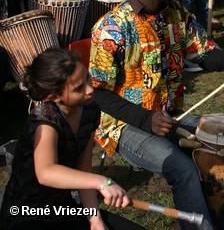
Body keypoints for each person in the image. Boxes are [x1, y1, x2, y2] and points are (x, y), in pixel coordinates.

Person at [89, 0, 224, 230]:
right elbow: (96, 94)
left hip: (170, 117)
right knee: (183, 170)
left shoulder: (178, 15)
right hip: (124, 125)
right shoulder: (111, 28)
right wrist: (146, 118)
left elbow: (204, 56)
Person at [0, 48, 143, 230]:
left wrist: (94, 220)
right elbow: (46, 172)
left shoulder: (90, 111)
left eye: (87, 78)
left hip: (63, 209)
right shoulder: (45, 119)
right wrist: (102, 181)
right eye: (78, 88)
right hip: (28, 213)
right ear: (54, 96)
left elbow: (83, 168)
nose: (90, 89)